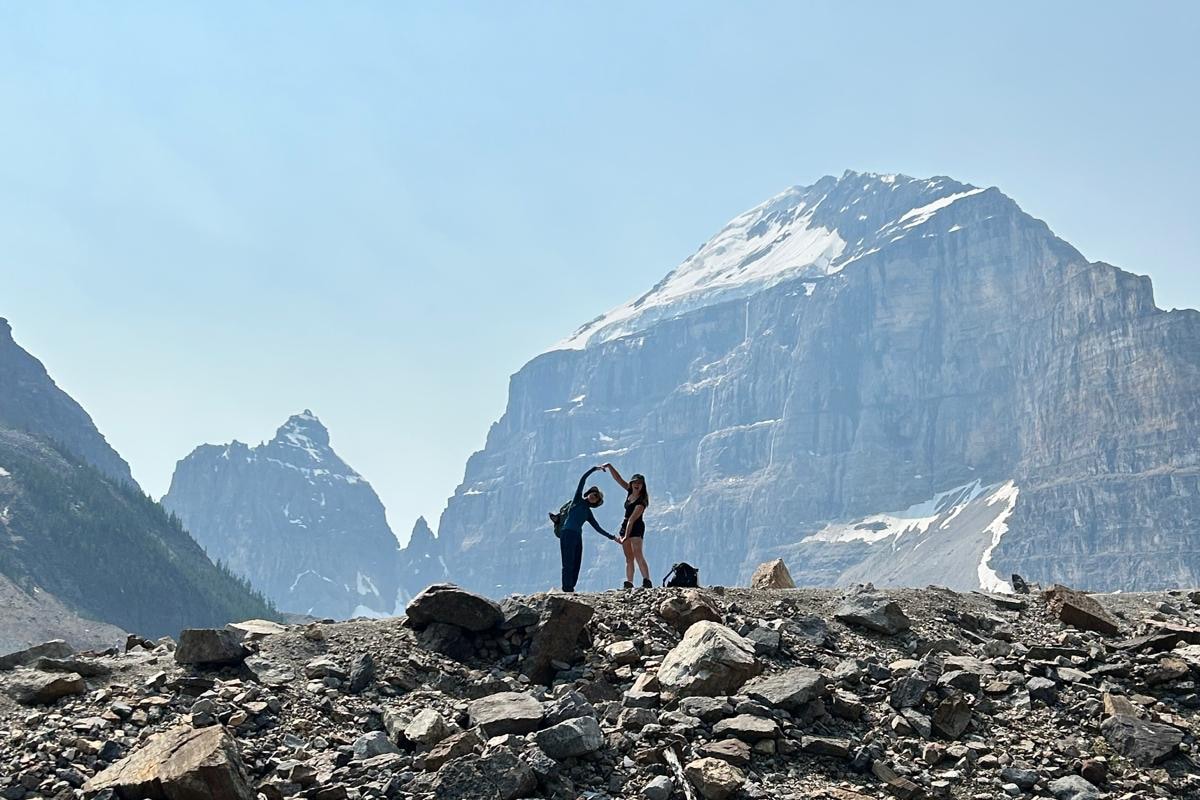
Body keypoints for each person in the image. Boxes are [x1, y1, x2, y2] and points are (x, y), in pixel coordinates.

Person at [550, 465, 615, 592]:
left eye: (596, 497)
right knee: (567, 562)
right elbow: (582, 480)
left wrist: (612, 537)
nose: (593, 496)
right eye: (593, 494)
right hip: (567, 533)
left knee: (576, 562)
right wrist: (593, 469)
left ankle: (571, 587)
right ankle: (566, 588)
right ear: (589, 492)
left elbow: (597, 527)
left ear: (595, 502)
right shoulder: (577, 500)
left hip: (577, 536)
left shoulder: (588, 513)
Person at [604, 463, 652, 589]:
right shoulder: (630, 492)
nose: (637, 485)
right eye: (635, 482)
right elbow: (618, 479)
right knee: (628, 557)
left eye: (640, 483)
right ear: (631, 484)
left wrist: (625, 536)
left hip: (636, 527)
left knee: (638, 553)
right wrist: (609, 466)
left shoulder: (641, 502)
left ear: (643, 486)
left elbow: (632, 520)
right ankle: (629, 582)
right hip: (625, 526)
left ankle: (646, 580)